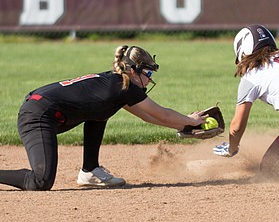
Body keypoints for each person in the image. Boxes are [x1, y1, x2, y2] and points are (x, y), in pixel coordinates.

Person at [0, 45, 207, 191]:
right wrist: (191, 120)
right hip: (37, 115)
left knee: (101, 111)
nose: (149, 79)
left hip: (44, 110)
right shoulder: (123, 87)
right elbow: (161, 113)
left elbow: (147, 116)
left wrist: (184, 125)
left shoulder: (118, 84)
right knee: (41, 181)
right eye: (148, 73)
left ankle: (90, 170)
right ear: (133, 71)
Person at [213, 24, 279, 180]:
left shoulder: (252, 75)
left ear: (243, 52)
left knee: (269, 170)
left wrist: (232, 148)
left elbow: (236, 127)